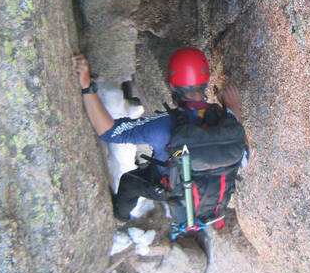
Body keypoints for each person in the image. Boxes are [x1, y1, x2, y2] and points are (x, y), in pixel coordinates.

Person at [74, 48, 247, 222]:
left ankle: (120, 217)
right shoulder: (224, 118)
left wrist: (86, 86)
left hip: (171, 187)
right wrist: (234, 108)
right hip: (209, 188)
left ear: (172, 86)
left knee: (129, 182)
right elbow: (243, 155)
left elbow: (109, 132)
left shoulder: (163, 126)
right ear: (206, 81)